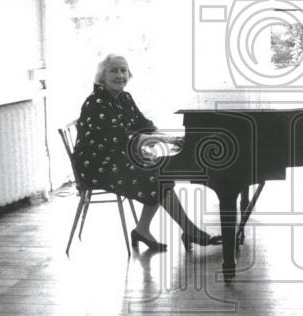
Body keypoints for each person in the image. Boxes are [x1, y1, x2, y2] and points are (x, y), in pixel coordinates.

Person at [73, 53, 221, 253]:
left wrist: (168, 137)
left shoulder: (124, 97)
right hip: (97, 166)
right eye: (113, 70)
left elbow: (143, 124)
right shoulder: (96, 102)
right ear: (102, 76)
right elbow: (118, 137)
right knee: (158, 175)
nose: (119, 75)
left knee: (160, 172)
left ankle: (144, 229)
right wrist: (160, 140)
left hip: (116, 157)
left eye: (123, 70)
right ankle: (188, 230)